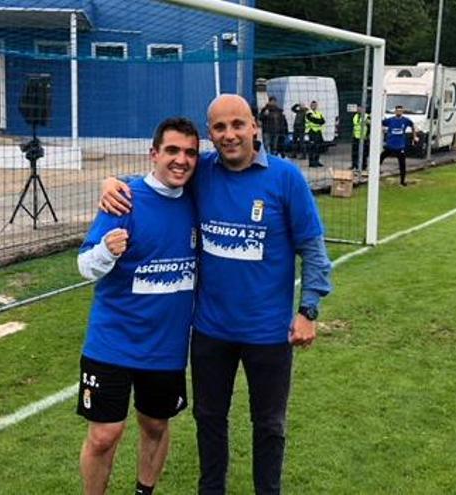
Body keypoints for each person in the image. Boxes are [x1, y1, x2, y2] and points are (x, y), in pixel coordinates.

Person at [100, 94, 332, 495]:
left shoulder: (285, 178)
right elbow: (158, 178)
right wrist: (110, 183)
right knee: (209, 419)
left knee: (270, 425)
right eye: (220, 128)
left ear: (254, 126)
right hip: (210, 331)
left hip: (268, 333)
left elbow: (312, 247)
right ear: (211, 133)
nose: (230, 135)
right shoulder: (202, 171)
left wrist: (308, 310)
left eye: (238, 125)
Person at [76, 117, 200, 495]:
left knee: (156, 425)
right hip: (112, 341)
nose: (181, 160)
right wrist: (105, 251)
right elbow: (84, 266)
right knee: (104, 435)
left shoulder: (199, 198)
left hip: (167, 346)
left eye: (190, 152)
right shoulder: (124, 198)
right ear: (154, 154)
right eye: (172, 151)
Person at [380, 105, 417, 186]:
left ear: (402, 112)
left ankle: (402, 181)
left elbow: (413, 125)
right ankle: (376, 172)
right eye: (397, 111)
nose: (399, 112)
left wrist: (415, 136)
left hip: (400, 146)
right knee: (381, 157)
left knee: (402, 164)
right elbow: (381, 123)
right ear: (395, 111)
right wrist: (382, 130)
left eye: (400, 111)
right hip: (390, 145)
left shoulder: (405, 120)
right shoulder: (390, 120)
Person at [305, 100, 326, 168]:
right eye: (313, 105)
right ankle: (311, 162)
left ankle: (317, 161)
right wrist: (318, 121)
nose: (314, 106)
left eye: (315, 105)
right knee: (312, 148)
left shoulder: (318, 113)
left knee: (318, 147)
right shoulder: (309, 113)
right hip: (312, 132)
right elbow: (313, 120)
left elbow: (323, 121)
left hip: (318, 132)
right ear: (311, 106)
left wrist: (318, 121)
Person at [351, 106, 371, 171]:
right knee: (354, 152)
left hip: (363, 137)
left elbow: (370, 126)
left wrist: (367, 135)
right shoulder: (355, 116)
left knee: (364, 153)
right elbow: (355, 126)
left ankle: (363, 166)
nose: (359, 110)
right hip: (356, 137)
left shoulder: (367, 116)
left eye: (360, 108)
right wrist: (353, 134)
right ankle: (354, 165)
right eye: (358, 109)